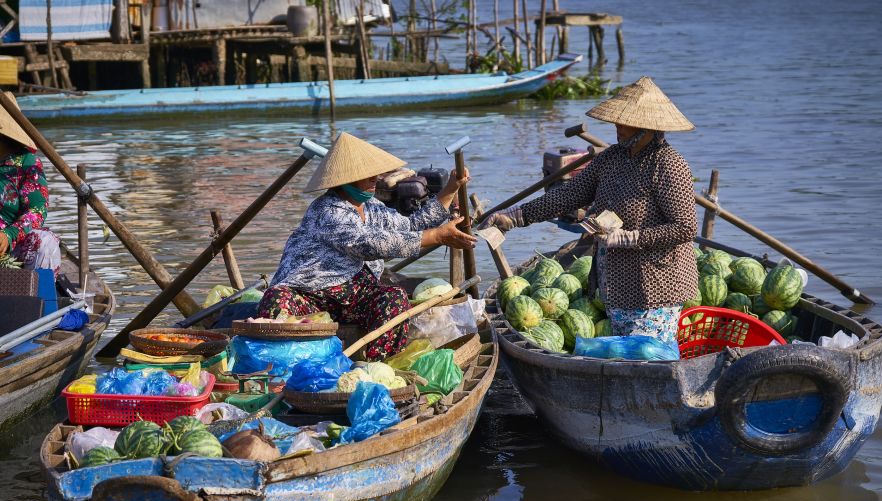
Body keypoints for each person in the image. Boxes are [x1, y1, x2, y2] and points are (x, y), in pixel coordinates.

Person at [481, 76, 699, 344]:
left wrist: (629, 238)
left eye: (626, 123)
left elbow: (685, 227)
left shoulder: (668, 165)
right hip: (617, 280)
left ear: (647, 127)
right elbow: (568, 195)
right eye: (617, 120)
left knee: (647, 357)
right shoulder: (611, 158)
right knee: (625, 356)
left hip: (656, 284)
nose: (618, 127)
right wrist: (516, 217)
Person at [257, 131, 476, 361]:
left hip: (354, 297)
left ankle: (369, 367)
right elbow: (370, 245)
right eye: (366, 174)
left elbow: (412, 225)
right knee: (275, 300)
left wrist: (451, 188)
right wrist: (438, 237)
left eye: (375, 173)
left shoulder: (371, 206)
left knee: (393, 299)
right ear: (345, 180)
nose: (375, 177)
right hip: (309, 295)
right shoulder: (328, 210)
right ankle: (281, 371)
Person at [0, 98, 60, 274]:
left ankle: (38, 299)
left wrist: (8, 236)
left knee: (45, 242)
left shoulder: (27, 163)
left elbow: (36, 211)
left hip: (12, 246)